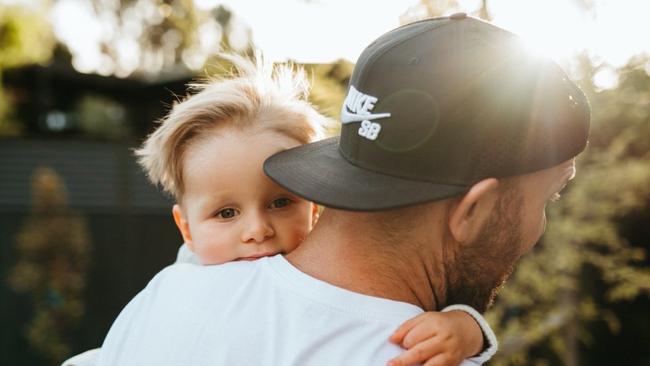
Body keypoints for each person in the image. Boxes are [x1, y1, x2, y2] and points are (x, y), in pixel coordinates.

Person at [95, 14, 590, 366]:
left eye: (279, 202)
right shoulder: (414, 355)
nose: (257, 231)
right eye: (549, 196)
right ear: (473, 211)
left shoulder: (163, 299)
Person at [64, 52, 496, 366]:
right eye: (226, 213)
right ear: (187, 229)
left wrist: (465, 329)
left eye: (280, 202)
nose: (257, 230)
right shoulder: (176, 285)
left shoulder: (340, 285)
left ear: (315, 204)